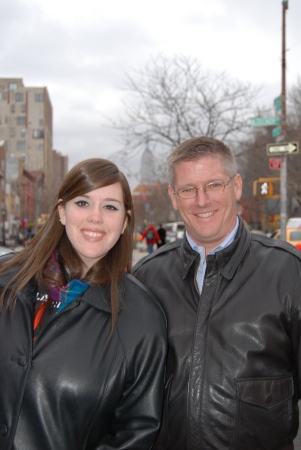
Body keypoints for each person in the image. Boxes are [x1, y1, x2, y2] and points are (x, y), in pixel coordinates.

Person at [133, 136, 301, 450]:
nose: (201, 200)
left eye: (214, 185)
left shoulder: (288, 271)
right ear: (173, 196)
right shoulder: (147, 277)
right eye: (188, 189)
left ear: (236, 186)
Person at [0, 158, 167, 450]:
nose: (95, 217)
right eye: (82, 203)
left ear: (125, 221)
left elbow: (134, 432)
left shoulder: (142, 318)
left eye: (110, 207)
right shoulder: (5, 281)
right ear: (62, 211)